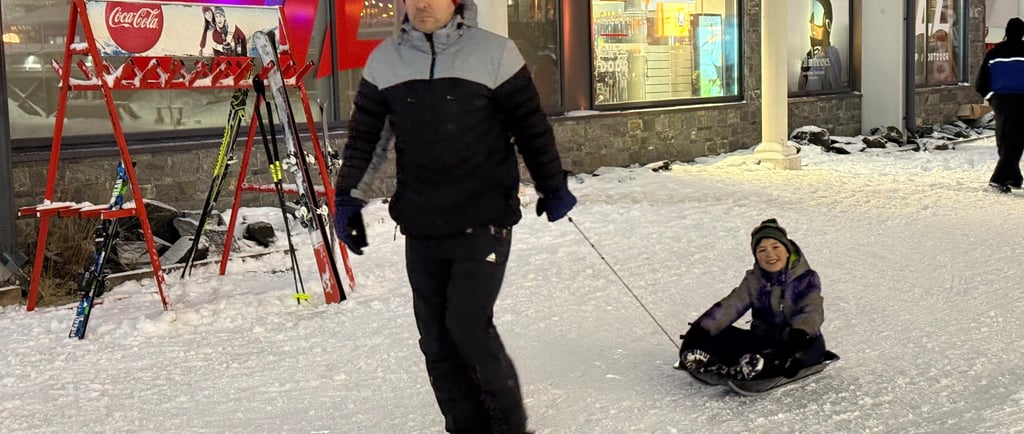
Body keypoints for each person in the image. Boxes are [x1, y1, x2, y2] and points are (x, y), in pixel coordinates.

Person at [333, 0, 576, 432]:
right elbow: (367, 140)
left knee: (467, 327)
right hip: (423, 223)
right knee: (437, 341)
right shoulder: (386, 60)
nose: (422, 3)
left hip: (483, 218)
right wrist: (349, 200)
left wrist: (552, 186)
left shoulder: (495, 53)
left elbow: (531, 127)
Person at [676, 219, 827, 382]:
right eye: (762, 250)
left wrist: (799, 334)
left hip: (799, 341)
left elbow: (811, 309)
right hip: (763, 341)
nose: (770, 254)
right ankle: (720, 363)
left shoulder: (805, 278)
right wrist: (699, 330)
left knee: (796, 355)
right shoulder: (754, 280)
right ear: (756, 256)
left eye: (776, 247)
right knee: (720, 333)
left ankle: (760, 365)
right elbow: (730, 306)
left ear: (787, 250)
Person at [976, 17, 1024, 194]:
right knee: (1015, 142)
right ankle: (999, 178)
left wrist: (991, 98)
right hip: (1021, 101)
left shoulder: (994, 53)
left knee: (1004, 140)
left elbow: (981, 83)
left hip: (1001, 102)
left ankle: (1013, 176)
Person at [797, 0, 843, 92]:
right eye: (811, 18)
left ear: (827, 23)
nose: (812, 25)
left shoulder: (829, 57)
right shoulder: (810, 57)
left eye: (817, 18)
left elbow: (812, 98)